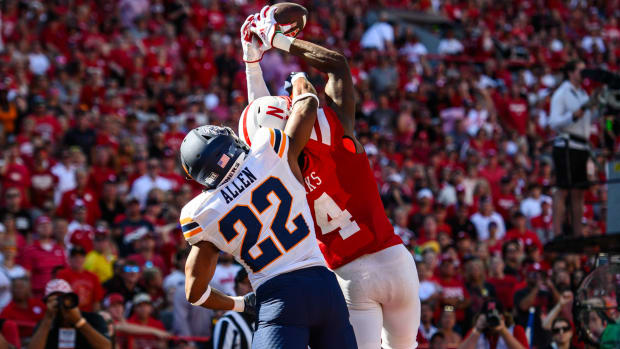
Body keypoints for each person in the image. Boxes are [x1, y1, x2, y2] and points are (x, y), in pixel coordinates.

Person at [244, 8, 420, 349]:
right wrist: (278, 41)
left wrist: (251, 63)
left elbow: (259, 121)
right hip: (394, 259)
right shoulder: (336, 128)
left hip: (349, 275)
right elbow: (336, 64)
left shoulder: (282, 168)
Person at [179, 74, 356, 347]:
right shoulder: (269, 149)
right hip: (325, 287)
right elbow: (307, 105)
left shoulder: (204, 213)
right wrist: (298, 80)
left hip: (278, 297)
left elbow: (195, 292)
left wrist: (240, 304)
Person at [549, 60, 594, 237]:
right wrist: (572, 116)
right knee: (563, 189)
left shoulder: (583, 93)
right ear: (570, 73)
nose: (583, 74)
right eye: (580, 71)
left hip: (581, 145)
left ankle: (577, 232)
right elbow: (553, 122)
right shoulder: (562, 93)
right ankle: (558, 231)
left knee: (579, 191)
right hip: (566, 143)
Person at [27, 279, 111, 349]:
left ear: (72, 299)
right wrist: (48, 319)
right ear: (47, 303)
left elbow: (107, 347)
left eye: (64, 298)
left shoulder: (93, 319)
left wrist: (79, 321)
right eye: (54, 300)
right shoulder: (44, 325)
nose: (60, 303)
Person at [19, 216, 67, 298]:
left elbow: (66, 272)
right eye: (42, 225)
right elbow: (27, 276)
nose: (45, 227)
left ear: (52, 228)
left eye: (48, 225)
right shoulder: (30, 250)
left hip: (59, 294)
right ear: (36, 229)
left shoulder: (59, 249)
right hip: (39, 295)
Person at [212, 269, 256, 349]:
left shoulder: (265, 319)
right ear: (235, 288)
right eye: (245, 282)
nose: (251, 286)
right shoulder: (228, 321)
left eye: (254, 282)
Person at [458, 300, 528, 349]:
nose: (492, 318)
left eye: (495, 315)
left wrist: (503, 331)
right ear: (481, 316)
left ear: (503, 317)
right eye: (488, 315)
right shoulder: (474, 332)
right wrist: (477, 330)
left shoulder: (515, 330)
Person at [57, 246, 105, 312]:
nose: (78, 259)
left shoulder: (93, 277)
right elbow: (62, 299)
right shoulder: (63, 274)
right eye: (75, 257)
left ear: (85, 259)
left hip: (88, 313)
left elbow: (96, 301)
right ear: (69, 259)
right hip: (70, 313)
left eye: (81, 256)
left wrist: (95, 316)